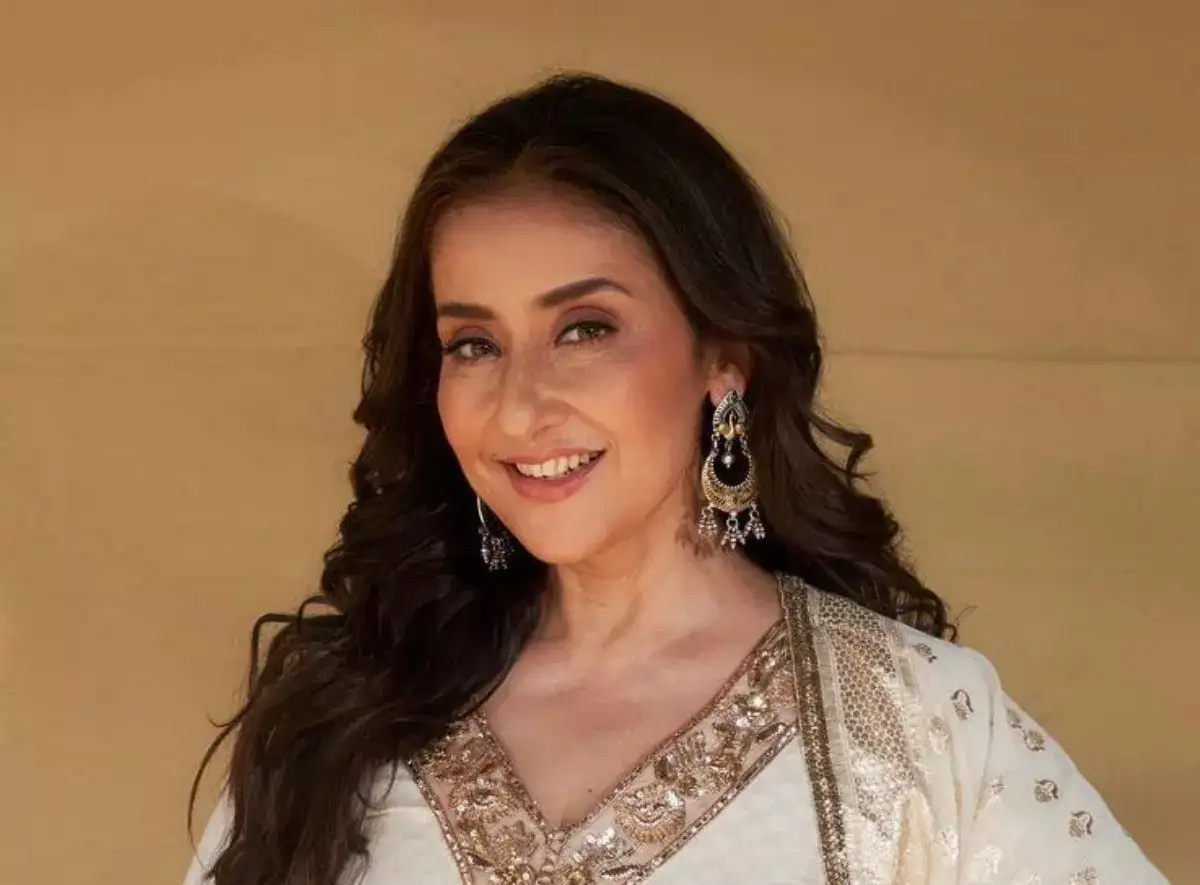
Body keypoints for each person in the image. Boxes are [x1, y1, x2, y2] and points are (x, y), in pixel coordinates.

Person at [183, 73, 1166, 885]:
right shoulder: (336, 723)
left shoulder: (912, 722)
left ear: (722, 358)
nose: (520, 409)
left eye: (585, 330)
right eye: (474, 344)